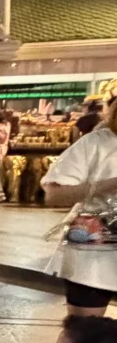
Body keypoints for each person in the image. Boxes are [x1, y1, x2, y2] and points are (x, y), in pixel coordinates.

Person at [42, 97, 117, 316]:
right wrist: (110, 184)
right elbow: (53, 195)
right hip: (94, 251)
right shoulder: (97, 143)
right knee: (83, 334)